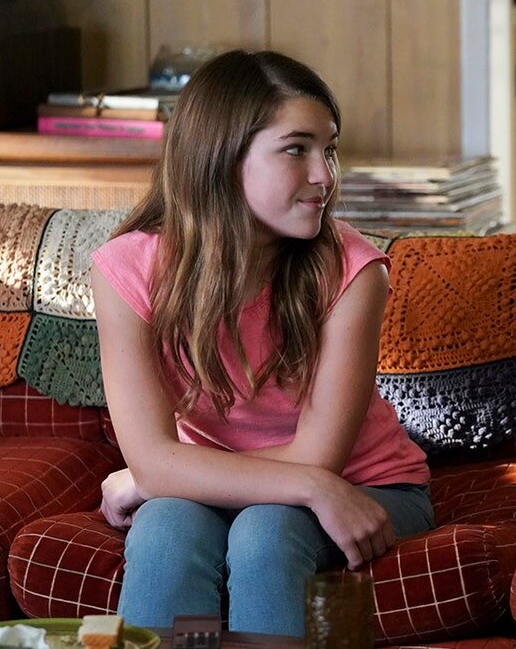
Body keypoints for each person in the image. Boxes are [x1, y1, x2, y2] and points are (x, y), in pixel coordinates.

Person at [90, 50, 434, 637]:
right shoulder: (128, 270)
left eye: (329, 150)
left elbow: (319, 459)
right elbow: (152, 458)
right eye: (297, 149)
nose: (324, 175)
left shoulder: (352, 271)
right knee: (165, 532)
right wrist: (156, 475)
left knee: (265, 533)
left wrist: (157, 476)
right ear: (222, 159)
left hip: (366, 483)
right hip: (232, 486)